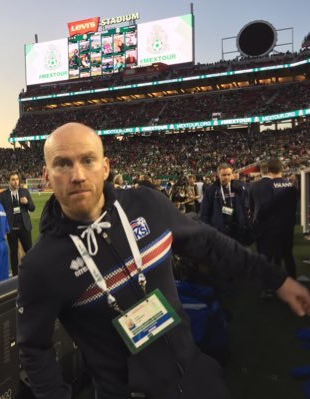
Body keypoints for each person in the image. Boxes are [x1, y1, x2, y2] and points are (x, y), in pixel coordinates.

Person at [17, 123, 310, 399]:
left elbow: (210, 244)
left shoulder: (147, 204)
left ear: (105, 167)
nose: (77, 174)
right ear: (46, 175)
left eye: (88, 160)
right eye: (63, 163)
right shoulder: (40, 266)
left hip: (197, 379)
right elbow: (34, 348)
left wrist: (277, 279)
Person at [249, 159, 298, 278]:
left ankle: (269, 287)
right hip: (288, 226)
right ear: (282, 169)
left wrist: (258, 219)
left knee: (268, 256)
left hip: (269, 227)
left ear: (268, 170)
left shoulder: (266, 185)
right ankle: (293, 282)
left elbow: (263, 207)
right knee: (287, 255)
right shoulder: (291, 185)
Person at [200, 163, 248, 244]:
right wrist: (210, 231)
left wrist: (244, 224)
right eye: (223, 175)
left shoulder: (239, 188)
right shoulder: (211, 190)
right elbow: (204, 214)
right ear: (218, 175)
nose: (226, 177)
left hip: (237, 230)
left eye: (229, 174)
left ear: (232, 174)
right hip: (219, 232)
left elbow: (245, 208)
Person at [0, 171, 35, 276]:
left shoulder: (25, 191)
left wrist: (27, 202)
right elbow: (1, 213)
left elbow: (32, 208)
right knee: (13, 253)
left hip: (24, 226)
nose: (15, 182)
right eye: (13, 180)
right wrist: (3, 230)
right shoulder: (3, 195)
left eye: (17, 179)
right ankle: (15, 276)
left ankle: (31, 272)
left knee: (29, 251)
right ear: (9, 181)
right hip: (11, 227)